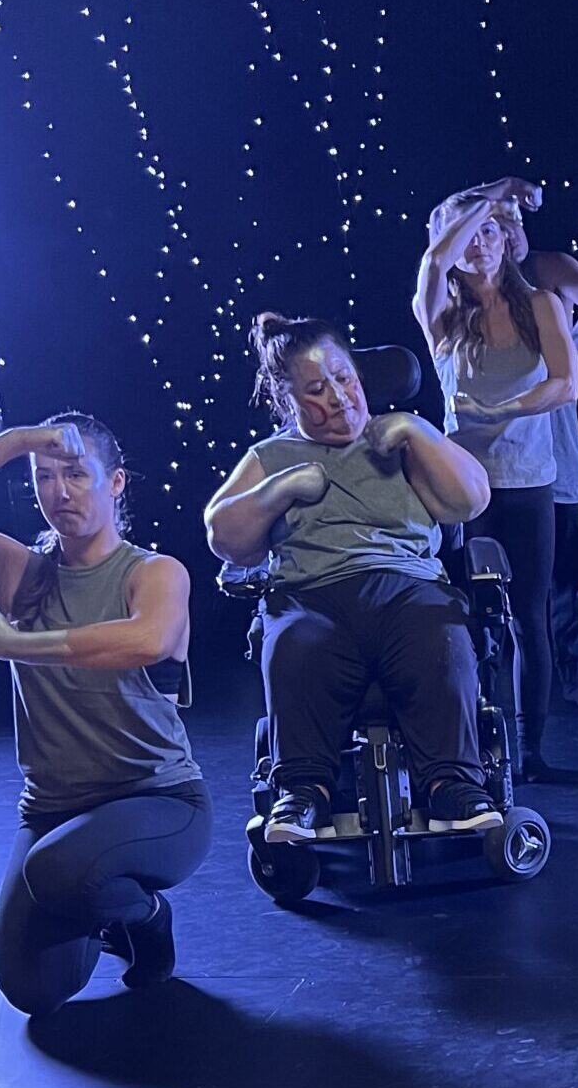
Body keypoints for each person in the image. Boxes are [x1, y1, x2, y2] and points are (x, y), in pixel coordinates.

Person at [0, 413, 211, 1016]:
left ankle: (146, 917)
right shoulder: (21, 573)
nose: (58, 491)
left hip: (159, 801)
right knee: (32, 988)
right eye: (43, 477)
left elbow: (144, 640)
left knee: (60, 869)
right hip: (54, 810)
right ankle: (104, 908)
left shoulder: (156, 573)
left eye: (75, 474)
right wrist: (16, 442)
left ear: (115, 484)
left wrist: (14, 644)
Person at [205, 312, 498, 841]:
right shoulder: (270, 456)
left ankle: (450, 785)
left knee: (439, 632)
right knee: (294, 643)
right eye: (316, 389)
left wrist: (417, 429)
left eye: (344, 378)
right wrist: (282, 488)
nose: (339, 398)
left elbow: (471, 497)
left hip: (406, 588)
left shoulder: (400, 438)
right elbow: (224, 536)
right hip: (311, 597)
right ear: (286, 398)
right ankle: (301, 793)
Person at [435, 177, 578, 711]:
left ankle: (569, 678)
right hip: (476, 463)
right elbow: (437, 256)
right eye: (482, 225)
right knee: (475, 601)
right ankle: (475, 720)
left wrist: (559, 352)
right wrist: (496, 193)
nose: (492, 237)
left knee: (555, 572)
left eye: (500, 225)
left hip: (543, 436)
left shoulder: (546, 278)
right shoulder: (450, 299)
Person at [412, 195, 578, 778]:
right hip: (464, 488)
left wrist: (505, 406)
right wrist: (493, 190)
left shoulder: (541, 305)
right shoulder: (441, 313)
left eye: (490, 231)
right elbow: (433, 266)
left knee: (528, 619)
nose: (478, 243)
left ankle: (532, 747)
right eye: (466, 236)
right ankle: (478, 741)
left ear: (507, 239)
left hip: (529, 482)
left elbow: (566, 384)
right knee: (469, 618)